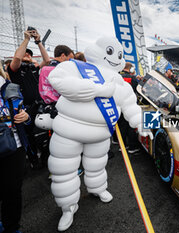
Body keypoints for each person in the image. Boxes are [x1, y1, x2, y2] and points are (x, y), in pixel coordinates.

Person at [46, 37, 152, 231]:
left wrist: (142, 124)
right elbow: (57, 80)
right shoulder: (76, 67)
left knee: (97, 166)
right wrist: (97, 90)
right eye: (110, 51)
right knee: (63, 171)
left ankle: (98, 189)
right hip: (68, 130)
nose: (115, 58)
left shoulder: (121, 82)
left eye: (119, 55)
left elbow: (131, 106)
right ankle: (68, 207)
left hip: (100, 135)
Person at [7, 28, 50, 170]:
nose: (27, 55)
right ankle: (33, 159)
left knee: (44, 134)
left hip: (39, 105)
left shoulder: (33, 67)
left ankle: (45, 158)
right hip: (25, 108)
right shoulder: (15, 69)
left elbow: (47, 60)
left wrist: (38, 41)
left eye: (29, 54)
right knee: (29, 135)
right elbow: (17, 59)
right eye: (25, 53)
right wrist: (26, 40)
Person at [0, 77, 31, 233]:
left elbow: (22, 111)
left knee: (12, 190)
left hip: (15, 146)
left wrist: (26, 117)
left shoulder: (10, 86)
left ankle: (11, 227)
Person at [119, 62, 141, 154]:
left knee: (121, 125)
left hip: (119, 105)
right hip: (129, 105)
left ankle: (122, 146)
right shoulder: (132, 78)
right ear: (131, 69)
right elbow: (138, 90)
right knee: (131, 126)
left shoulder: (117, 76)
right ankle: (132, 147)